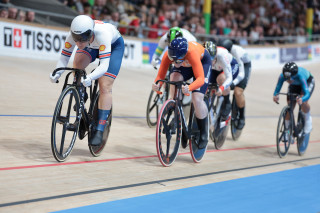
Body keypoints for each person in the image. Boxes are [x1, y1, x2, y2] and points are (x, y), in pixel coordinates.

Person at [50, 15, 124, 146]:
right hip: (92, 46)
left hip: (113, 47)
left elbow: (104, 66)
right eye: (76, 39)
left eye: (82, 40)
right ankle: (82, 96)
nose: (78, 43)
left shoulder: (103, 34)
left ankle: (100, 128)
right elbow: (64, 57)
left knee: (104, 85)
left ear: (90, 34)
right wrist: (57, 72)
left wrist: (90, 77)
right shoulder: (75, 35)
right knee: (77, 65)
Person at [152, 37, 212, 149]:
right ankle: (176, 110)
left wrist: (190, 87)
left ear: (184, 54)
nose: (175, 62)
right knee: (174, 76)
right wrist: (157, 84)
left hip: (202, 64)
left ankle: (204, 132)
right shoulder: (169, 55)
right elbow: (160, 76)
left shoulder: (192, 53)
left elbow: (200, 79)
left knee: (196, 98)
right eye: (173, 60)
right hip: (186, 64)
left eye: (177, 60)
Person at [273, 62, 315, 137]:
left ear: (294, 75)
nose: (288, 80)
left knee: (303, 102)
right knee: (290, 107)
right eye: (286, 79)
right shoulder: (282, 76)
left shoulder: (300, 76)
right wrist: (275, 95)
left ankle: (308, 120)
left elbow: (307, 94)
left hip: (307, 82)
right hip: (294, 85)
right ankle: (286, 131)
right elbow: (278, 87)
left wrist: (302, 99)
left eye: (289, 78)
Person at [204, 41, 241, 123]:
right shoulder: (201, 56)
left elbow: (229, 78)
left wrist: (222, 88)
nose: (211, 62)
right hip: (215, 69)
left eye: (212, 59)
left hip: (231, 66)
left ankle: (227, 102)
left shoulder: (222, 55)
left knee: (221, 79)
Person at [218, 39, 251, 129]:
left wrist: (233, 83)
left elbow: (241, 74)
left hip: (244, 66)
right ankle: (225, 102)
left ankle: (241, 117)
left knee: (238, 92)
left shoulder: (236, 52)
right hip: (231, 64)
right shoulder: (222, 53)